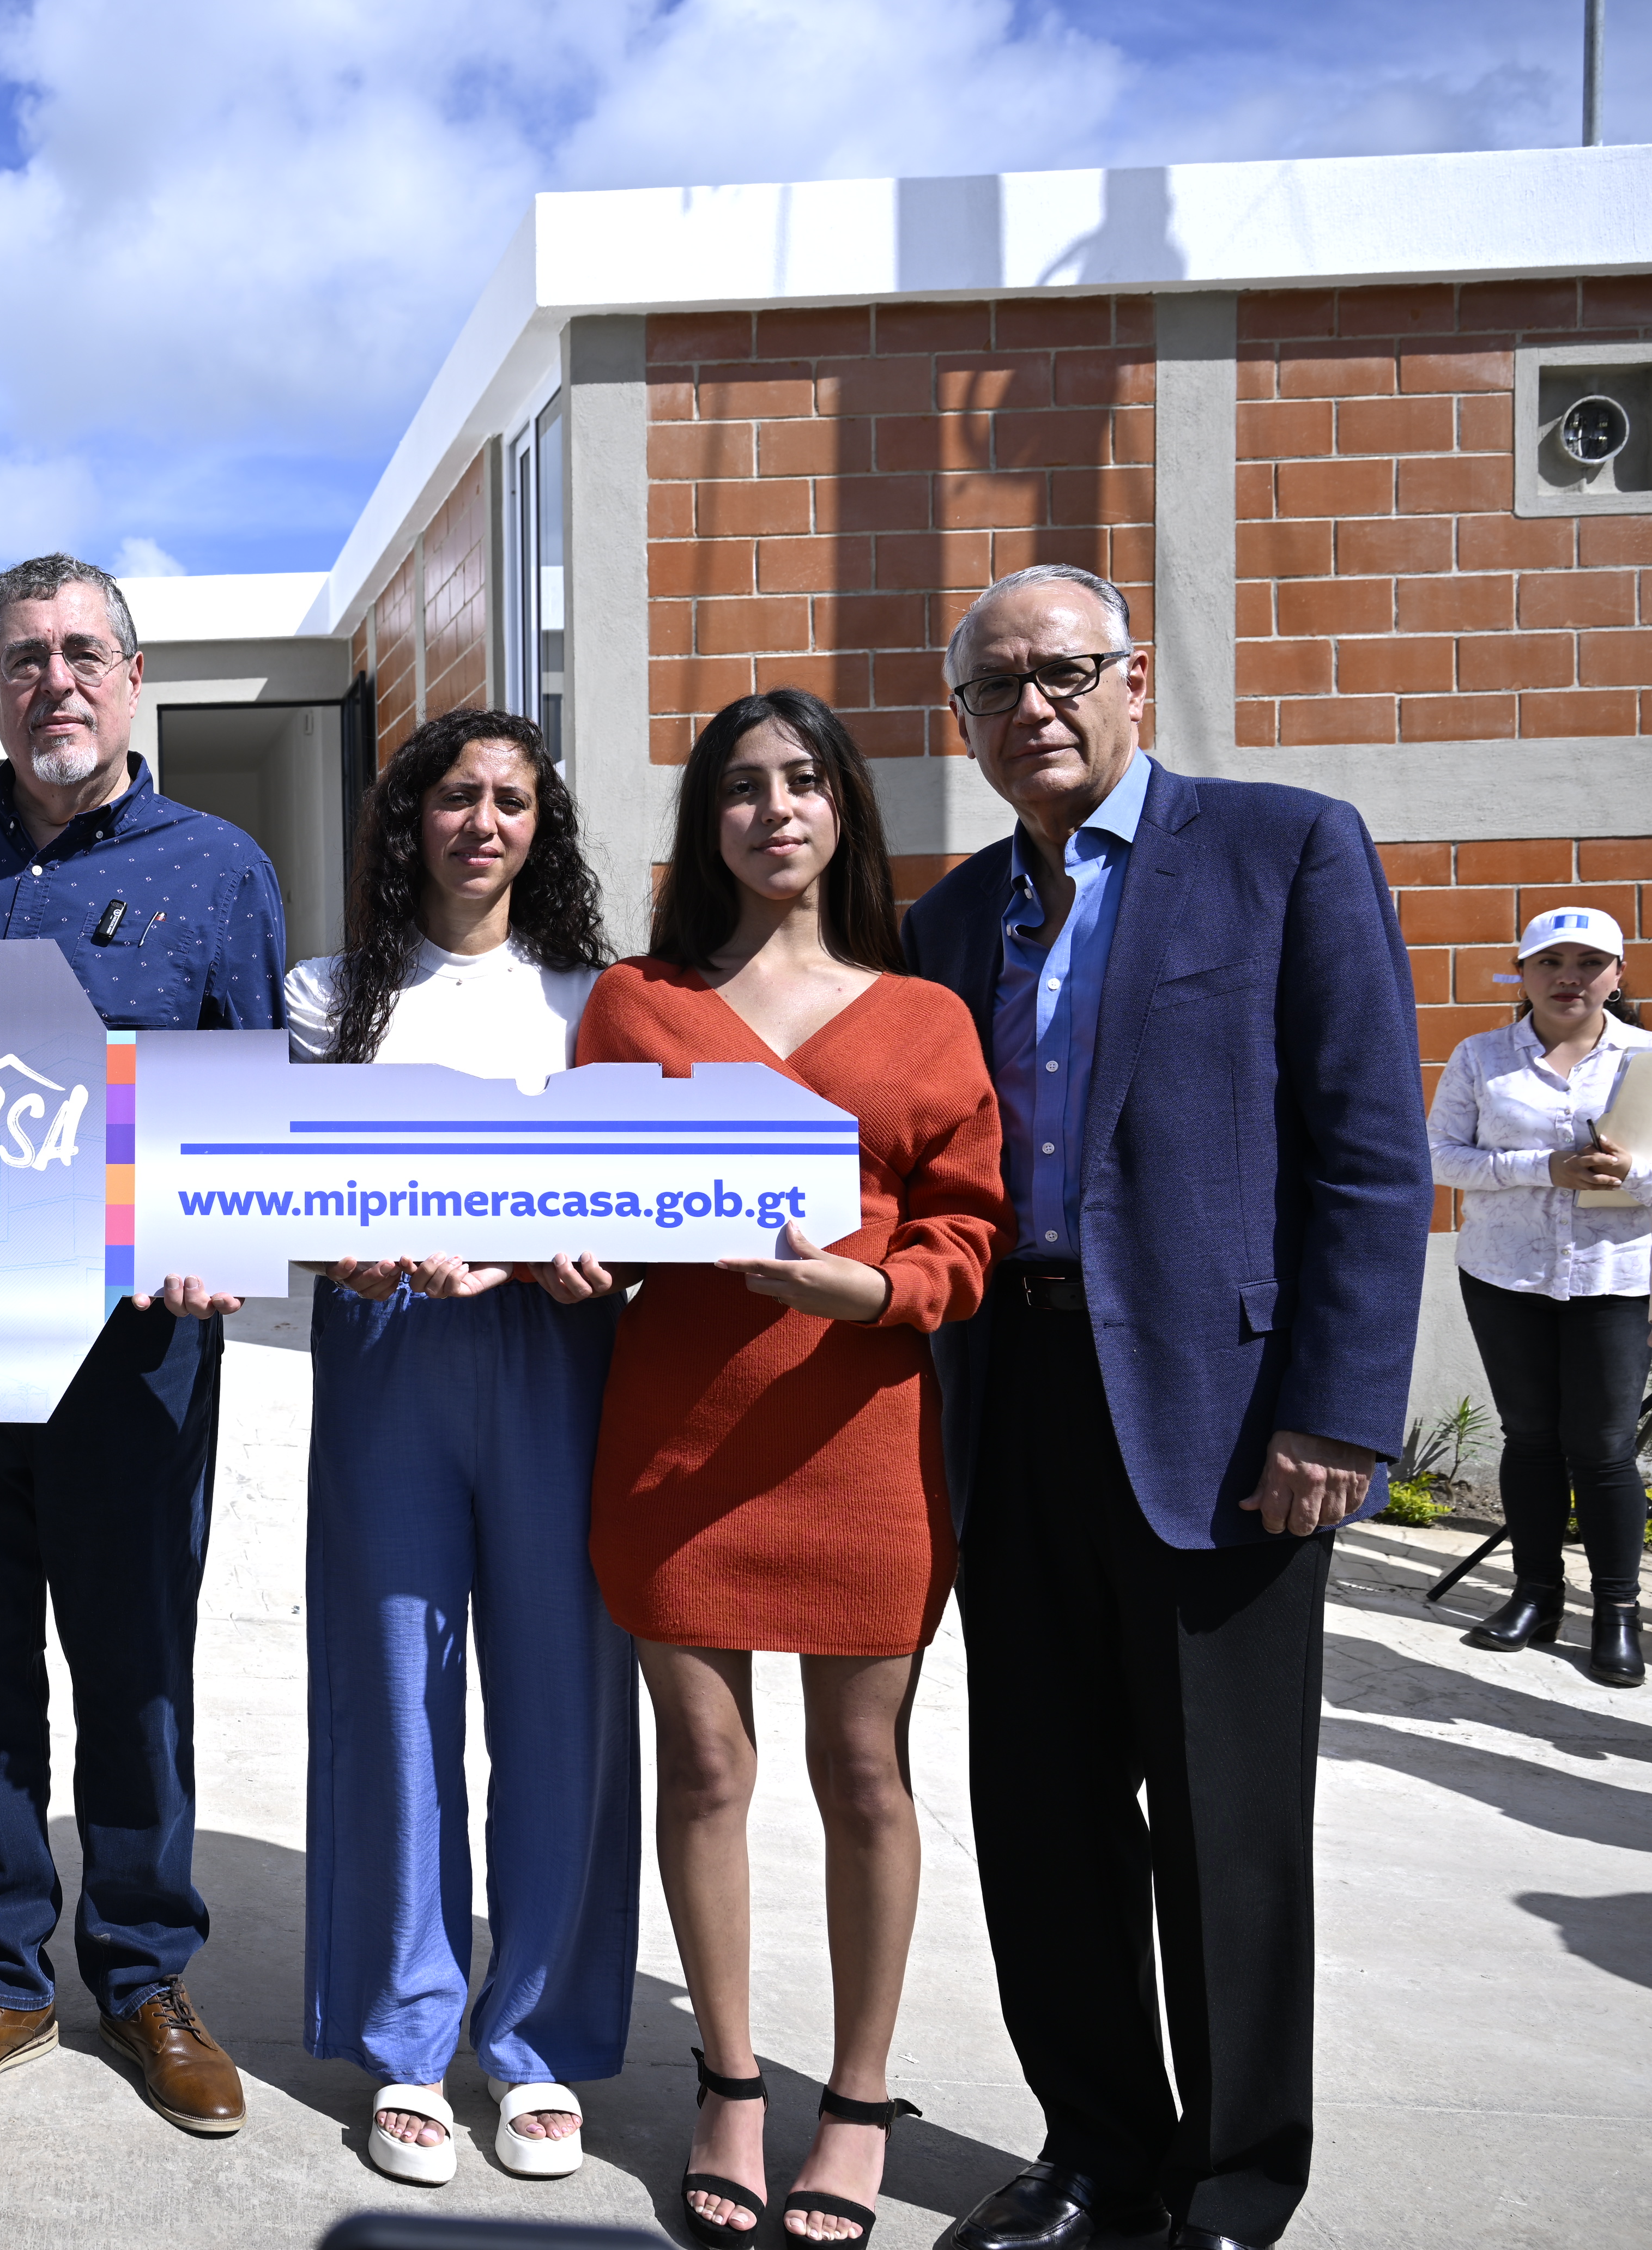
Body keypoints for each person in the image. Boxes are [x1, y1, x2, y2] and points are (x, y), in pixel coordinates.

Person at [904, 564, 1431, 2250]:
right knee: (1044, 1820)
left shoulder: (1284, 849)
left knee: (1228, 1832)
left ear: (1138, 679)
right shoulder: (946, 919)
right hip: (1014, 1402)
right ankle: (1096, 2151)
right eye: (997, 688)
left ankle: (1231, 2179)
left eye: (1065, 671)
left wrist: (1339, 1415)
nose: (1035, 706)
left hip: (1229, 1420)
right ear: (964, 726)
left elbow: (1367, 1156)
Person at [561, 688, 1008, 2248]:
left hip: (863, 1439)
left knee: (865, 1774)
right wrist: (574, 1247)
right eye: (743, 787)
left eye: (804, 781)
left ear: (844, 812)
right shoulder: (633, 1002)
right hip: (678, 1440)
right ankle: (734, 2083)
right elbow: (602, 1211)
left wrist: (882, 1291)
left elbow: (970, 1226)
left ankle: (862, 2096)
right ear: (710, 823)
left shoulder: (928, 1013)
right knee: (705, 1769)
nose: (775, 809)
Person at [0, 552, 286, 2137]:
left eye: (83, 652)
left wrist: (211, 1238)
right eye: (24, 658)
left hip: (134, 1363)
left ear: (133, 676)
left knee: (135, 1668)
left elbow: (250, 1102)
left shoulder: (219, 869)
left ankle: (149, 1973)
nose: (57, 681)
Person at [285, 709, 639, 2190]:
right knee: (392, 1692)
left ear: (540, 823)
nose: (481, 822)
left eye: (510, 799)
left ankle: (540, 2038)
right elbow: (280, 1183)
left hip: (562, 1362)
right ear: (409, 820)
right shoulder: (329, 993)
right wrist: (351, 1249)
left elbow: (644, 1197)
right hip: (392, 1362)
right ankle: (408, 2034)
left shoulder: (603, 995)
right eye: (454, 797)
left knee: (564, 1699)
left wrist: (596, 1255)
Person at [1429, 904, 1650, 1689]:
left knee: (1602, 1449)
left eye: (1589, 963)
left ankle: (1617, 1612)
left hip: (1612, 1283)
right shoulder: (1481, 1057)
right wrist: (1543, 1168)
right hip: (1505, 1276)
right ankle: (1536, 1594)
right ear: (1520, 975)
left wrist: (1631, 1177)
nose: (1569, 978)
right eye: (1550, 963)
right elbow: (1441, 1157)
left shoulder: (1646, 1061)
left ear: (1618, 976)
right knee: (1528, 1439)